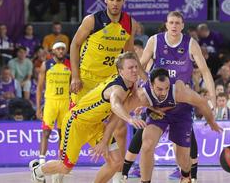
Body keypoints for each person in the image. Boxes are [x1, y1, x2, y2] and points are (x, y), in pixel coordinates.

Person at [121, 11, 216, 182]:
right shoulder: (155, 41)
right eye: (171, 22)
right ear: (166, 24)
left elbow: (205, 71)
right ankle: (141, 178)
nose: (174, 26)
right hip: (158, 102)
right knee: (147, 143)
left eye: (177, 23)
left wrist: (213, 99)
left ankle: (186, 174)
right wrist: (138, 94)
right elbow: (140, 68)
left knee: (182, 156)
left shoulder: (190, 43)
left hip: (182, 103)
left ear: (183, 25)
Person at [29, 52, 146, 183]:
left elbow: (116, 116)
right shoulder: (116, 88)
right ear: (121, 71)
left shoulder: (130, 83)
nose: (135, 70)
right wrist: (130, 119)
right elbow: (115, 105)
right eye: (131, 68)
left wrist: (104, 141)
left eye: (136, 67)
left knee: (116, 162)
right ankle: (37, 171)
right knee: (65, 167)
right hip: (76, 123)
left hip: (96, 125)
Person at [70, 0, 137, 181]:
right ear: (106, 0)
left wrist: (134, 79)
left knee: (120, 126)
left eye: (119, 0)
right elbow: (75, 45)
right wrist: (75, 76)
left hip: (110, 81)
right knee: (76, 124)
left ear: (123, 1)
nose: (115, 3)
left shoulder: (129, 22)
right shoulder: (92, 20)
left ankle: (118, 173)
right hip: (86, 80)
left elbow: (129, 53)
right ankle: (62, 166)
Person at [133, 68, 222, 183]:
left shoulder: (179, 90)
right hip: (159, 113)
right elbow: (120, 107)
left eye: (166, 88)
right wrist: (131, 117)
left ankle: (185, 176)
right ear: (151, 85)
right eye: (159, 89)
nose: (164, 92)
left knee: (183, 160)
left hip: (181, 114)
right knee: (147, 144)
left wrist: (211, 122)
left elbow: (202, 103)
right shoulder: (142, 93)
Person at [36, 42, 71, 166]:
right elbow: (39, 88)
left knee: (63, 134)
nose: (61, 51)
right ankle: (41, 161)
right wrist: (38, 107)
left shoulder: (70, 65)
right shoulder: (46, 65)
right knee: (46, 132)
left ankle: (61, 161)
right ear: (53, 51)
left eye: (63, 49)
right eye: (58, 49)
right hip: (50, 101)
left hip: (65, 102)